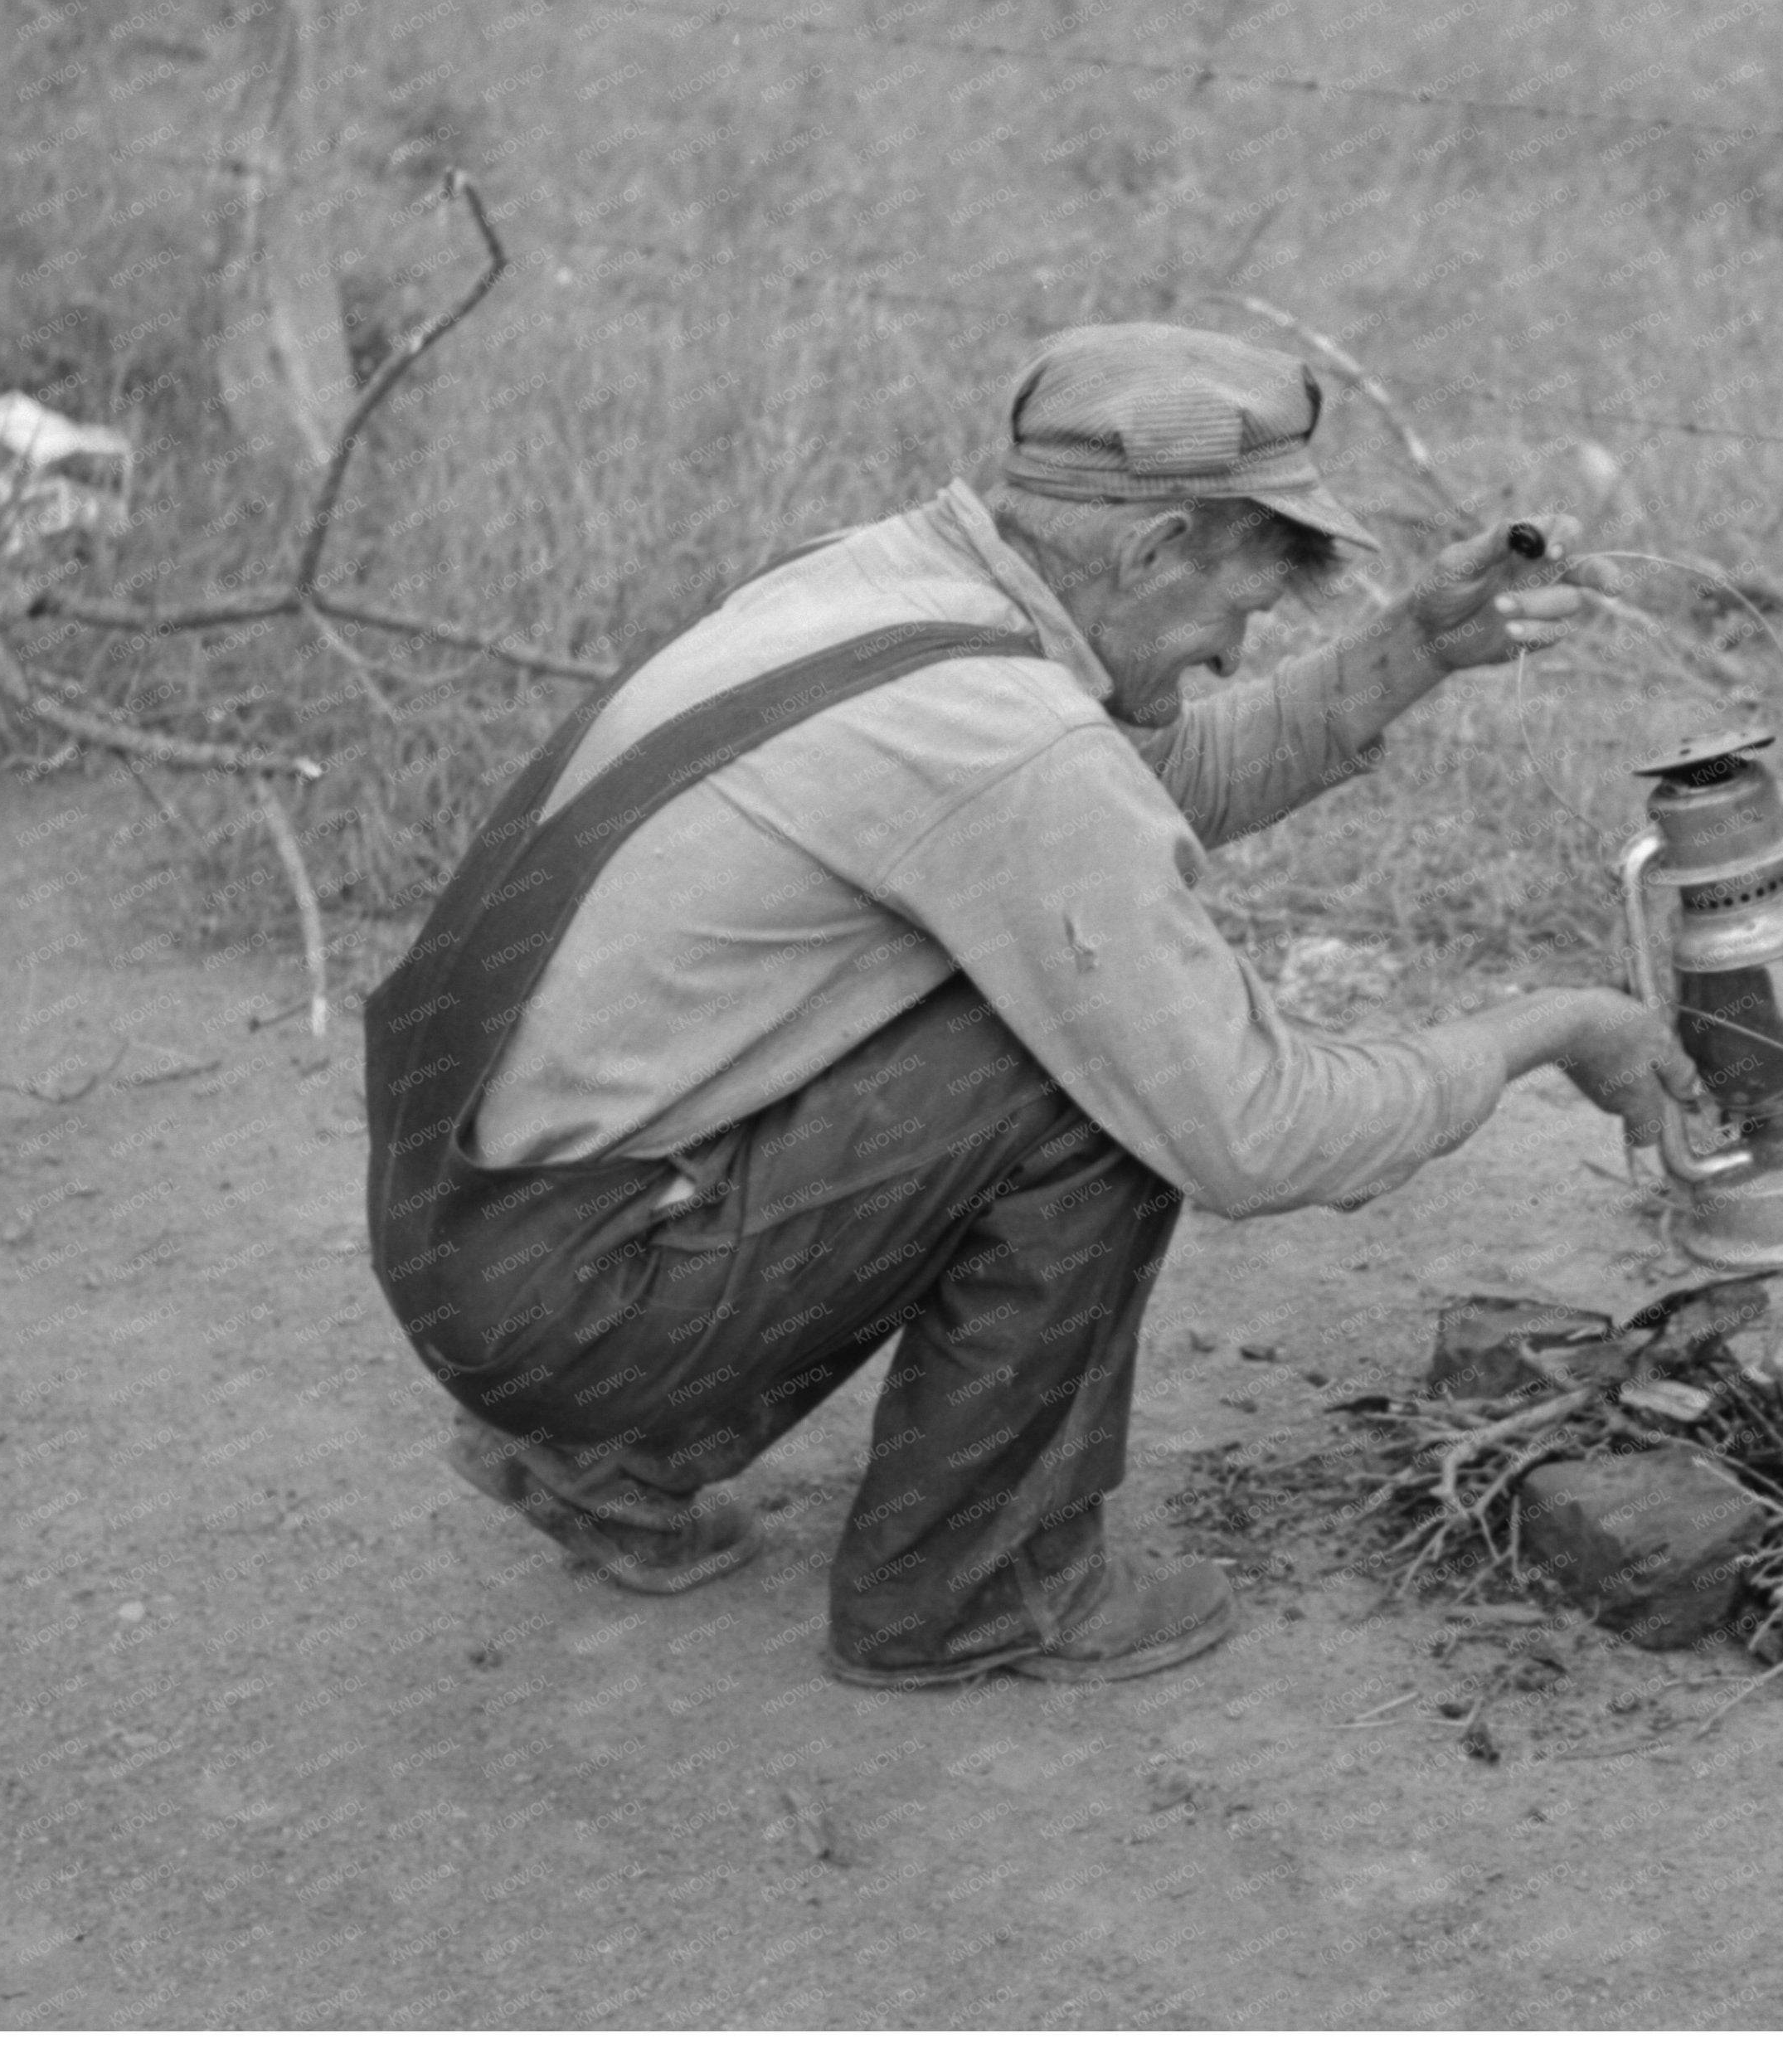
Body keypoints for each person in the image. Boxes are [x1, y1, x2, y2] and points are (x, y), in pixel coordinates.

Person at [364, 322, 1694, 1690]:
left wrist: (1406, 651)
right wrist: (1550, 1029)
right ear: (1151, 547)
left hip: (472, 1216)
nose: (1230, 657)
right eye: (1233, 610)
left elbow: (1122, 794)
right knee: (1102, 1092)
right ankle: (975, 1589)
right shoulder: (1012, 745)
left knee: (1054, 1000)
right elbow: (1256, 1134)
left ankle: (605, 1464)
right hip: (571, 1293)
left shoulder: (886, 582)